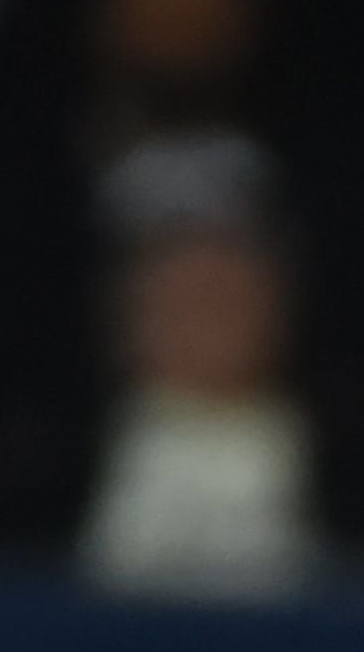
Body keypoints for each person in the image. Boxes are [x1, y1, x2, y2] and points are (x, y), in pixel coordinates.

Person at [78, 208, 321, 594]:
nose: (206, 332)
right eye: (182, 309)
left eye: (226, 307)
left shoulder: (309, 444)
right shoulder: (87, 447)